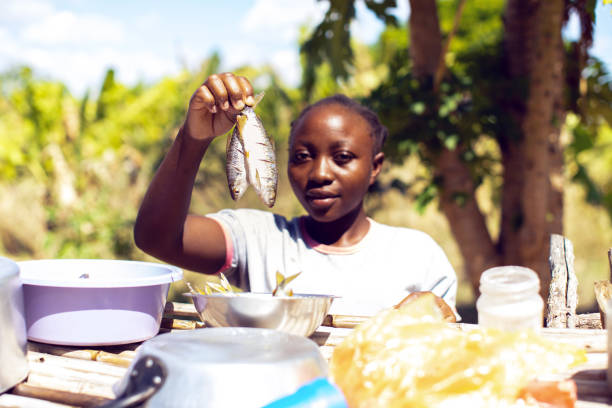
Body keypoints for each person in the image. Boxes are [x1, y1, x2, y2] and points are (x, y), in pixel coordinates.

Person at [134, 72, 458, 316]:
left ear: (375, 167)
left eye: (342, 158)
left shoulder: (418, 256)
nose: (319, 173)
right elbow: (156, 237)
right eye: (302, 157)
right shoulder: (261, 239)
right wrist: (194, 137)